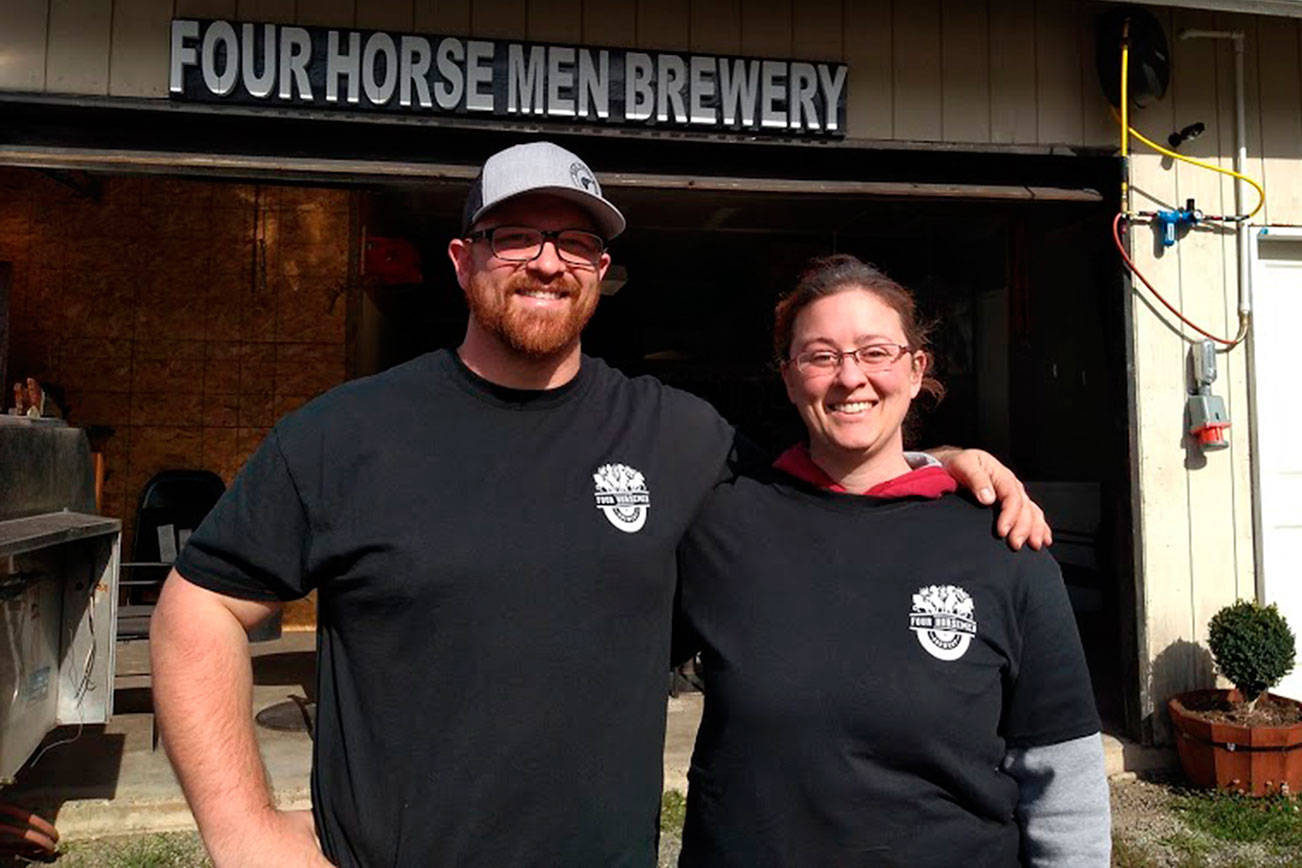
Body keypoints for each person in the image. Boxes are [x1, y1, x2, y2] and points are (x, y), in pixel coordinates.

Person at [149, 142, 1050, 868]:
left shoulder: (676, 436)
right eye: (516, 236)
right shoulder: (347, 433)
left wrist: (937, 457)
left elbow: (825, 479)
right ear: (463, 261)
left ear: (602, 269)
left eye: (575, 242)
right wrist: (246, 834)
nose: (548, 261)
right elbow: (199, 611)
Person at [674, 254, 1109, 868]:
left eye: (875, 352)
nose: (850, 377)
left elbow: (1062, 774)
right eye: (821, 356)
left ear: (915, 369)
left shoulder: (1001, 541)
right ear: (790, 377)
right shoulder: (721, 524)